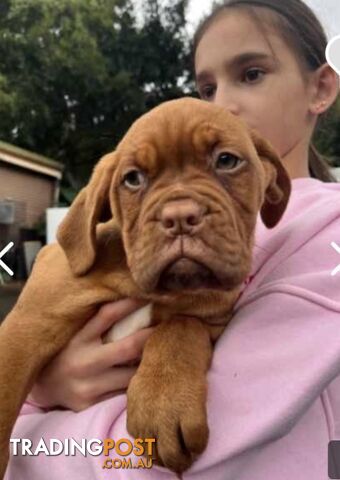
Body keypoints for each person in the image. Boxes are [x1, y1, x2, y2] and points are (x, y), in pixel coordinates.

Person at [5, 0, 340, 479]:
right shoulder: (96, 259)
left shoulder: (325, 238)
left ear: (321, 86)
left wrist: (181, 341)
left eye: (251, 73)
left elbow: (146, 464)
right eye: (207, 87)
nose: (223, 102)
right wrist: (44, 387)